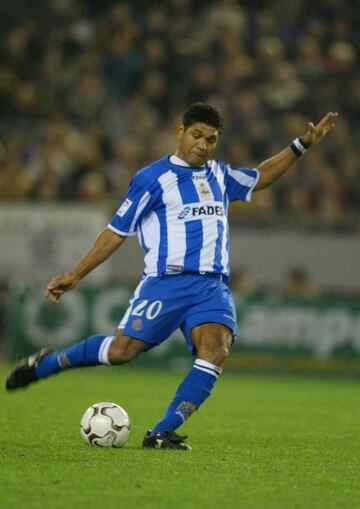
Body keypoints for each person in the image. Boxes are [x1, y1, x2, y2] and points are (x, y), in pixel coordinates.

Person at [5, 103, 337, 450]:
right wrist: (75, 274)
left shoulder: (220, 176)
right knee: (120, 352)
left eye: (211, 139)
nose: (203, 145)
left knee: (216, 349)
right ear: (180, 131)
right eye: (197, 135)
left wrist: (302, 145)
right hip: (166, 283)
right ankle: (50, 363)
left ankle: (161, 432)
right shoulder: (152, 179)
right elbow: (116, 231)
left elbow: (261, 175)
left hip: (212, 286)